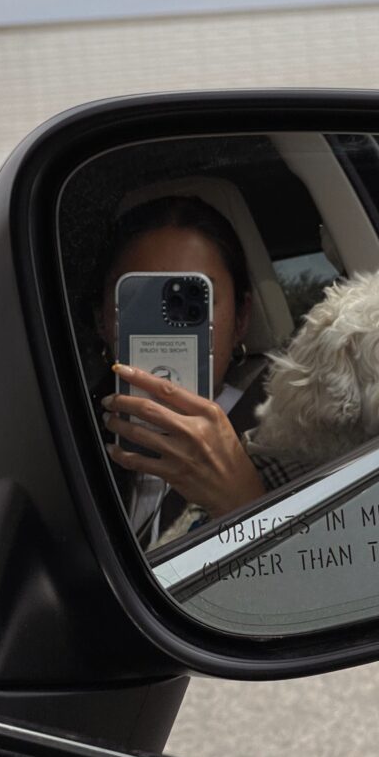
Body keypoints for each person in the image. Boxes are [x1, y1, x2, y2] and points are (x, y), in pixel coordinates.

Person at [95, 196, 268, 547]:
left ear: (241, 318)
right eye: (139, 301)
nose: (166, 329)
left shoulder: (283, 433)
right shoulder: (67, 434)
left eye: (190, 302)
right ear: (102, 319)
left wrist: (240, 496)